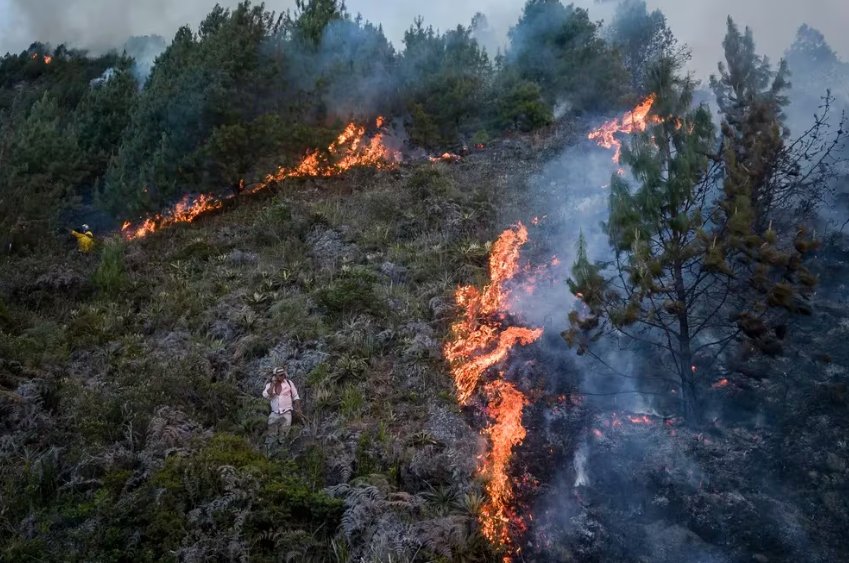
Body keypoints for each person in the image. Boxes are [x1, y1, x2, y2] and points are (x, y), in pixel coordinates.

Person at [262, 367, 301, 445]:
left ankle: (282, 449)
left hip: (286, 413)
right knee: (271, 435)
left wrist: (298, 408)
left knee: (284, 436)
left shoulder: (289, 383)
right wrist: (273, 384)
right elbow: (266, 395)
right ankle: (270, 449)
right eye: (280, 375)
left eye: (283, 374)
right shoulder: (269, 385)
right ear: (275, 376)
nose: (282, 376)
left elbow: (295, 396)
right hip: (274, 413)